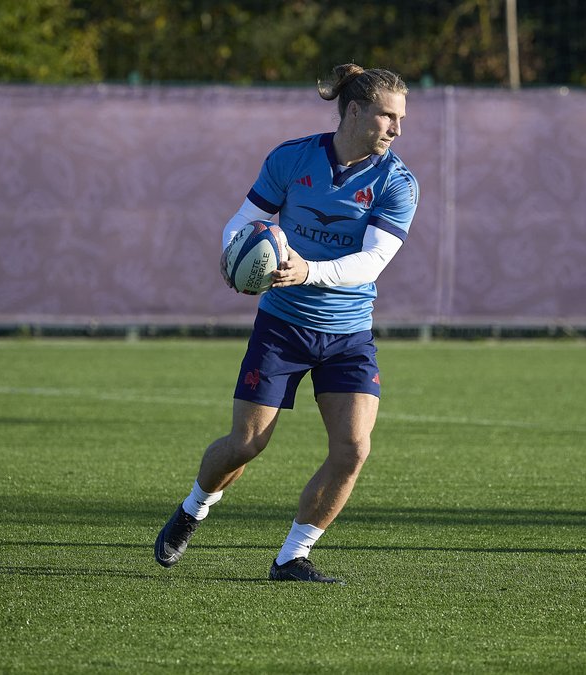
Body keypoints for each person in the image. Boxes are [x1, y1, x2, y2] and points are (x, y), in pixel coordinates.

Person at [153, 63, 418, 584]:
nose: (397, 129)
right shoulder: (292, 157)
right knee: (246, 445)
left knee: (353, 449)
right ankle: (193, 508)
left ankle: (292, 557)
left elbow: (371, 263)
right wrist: (235, 253)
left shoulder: (398, 182)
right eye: (388, 116)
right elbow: (242, 222)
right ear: (355, 110)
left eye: (402, 118)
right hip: (282, 328)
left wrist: (308, 270)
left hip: (348, 335)